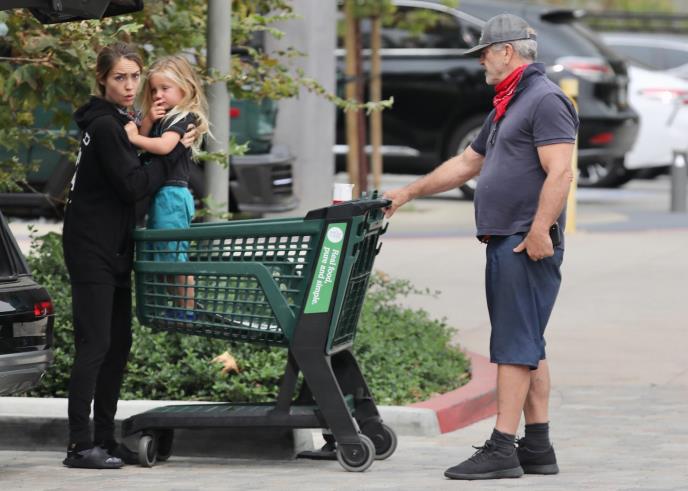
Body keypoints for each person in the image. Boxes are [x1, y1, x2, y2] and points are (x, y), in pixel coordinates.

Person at [383, 14, 578, 481]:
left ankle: (502, 448)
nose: (481, 63)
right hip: (509, 237)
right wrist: (406, 193)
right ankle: (538, 447)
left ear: (506, 52)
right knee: (528, 342)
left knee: (514, 346)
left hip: (523, 241)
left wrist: (539, 230)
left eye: (485, 53)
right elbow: (468, 163)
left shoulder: (545, 100)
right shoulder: (510, 103)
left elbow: (561, 171)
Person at [62, 42, 196, 469]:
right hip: (91, 247)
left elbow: (131, 169)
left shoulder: (122, 121)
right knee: (96, 344)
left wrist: (157, 139)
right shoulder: (105, 125)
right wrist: (176, 150)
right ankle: (79, 445)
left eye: (135, 76)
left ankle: (105, 438)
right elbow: (134, 186)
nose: (129, 85)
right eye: (120, 77)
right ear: (102, 79)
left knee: (119, 344)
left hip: (116, 245)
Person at [124, 55, 210, 320]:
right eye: (153, 90)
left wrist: (134, 136)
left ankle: (186, 310)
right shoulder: (162, 117)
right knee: (163, 254)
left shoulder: (183, 117)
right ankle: (178, 305)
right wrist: (148, 121)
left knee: (173, 256)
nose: (158, 95)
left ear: (185, 88)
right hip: (160, 195)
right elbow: (145, 140)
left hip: (172, 195)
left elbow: (163, 146)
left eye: (165, 88)